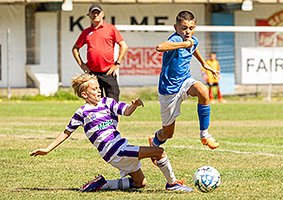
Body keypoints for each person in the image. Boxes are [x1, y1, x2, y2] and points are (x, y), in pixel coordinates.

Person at [29, 74, 193, 193]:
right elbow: (66, 132)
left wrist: (134, 105)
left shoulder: (107, 102)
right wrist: (47, 149)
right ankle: (172, 184)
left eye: (99, 88)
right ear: (85, 94)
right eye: (94, 89)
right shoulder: (82, 112)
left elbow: (126, 111)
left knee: (140, 184)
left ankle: (103, 184)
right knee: (159, 152)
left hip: (119, 149)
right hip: (115, 150)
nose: (99, 91)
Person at [148, 11, 220, 154]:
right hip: (169, 89)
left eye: (191, 28)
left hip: (185, 81)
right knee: (168, 134)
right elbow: (160, 47)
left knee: (203, 91)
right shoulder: (175, 39)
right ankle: (155, 140)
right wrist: (183, 44)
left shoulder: (193, 40)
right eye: (184, 28)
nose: (188, 31)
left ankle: (204, 134)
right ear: (176, 28)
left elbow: (193, 48)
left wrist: (204, 64)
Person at [72, 3, 127, 102]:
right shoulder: (86, 32)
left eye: (98, 12)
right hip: (92, 74)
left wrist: (117, 63)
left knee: (113, 104)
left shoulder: (111, 29)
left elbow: (124, 46)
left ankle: (114, 118)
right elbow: (75, 49)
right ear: (89, 15)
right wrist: (82, 65)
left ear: (102, 14)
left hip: (108, 72)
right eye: (93, 13)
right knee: (94, 103)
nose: (96, 15)